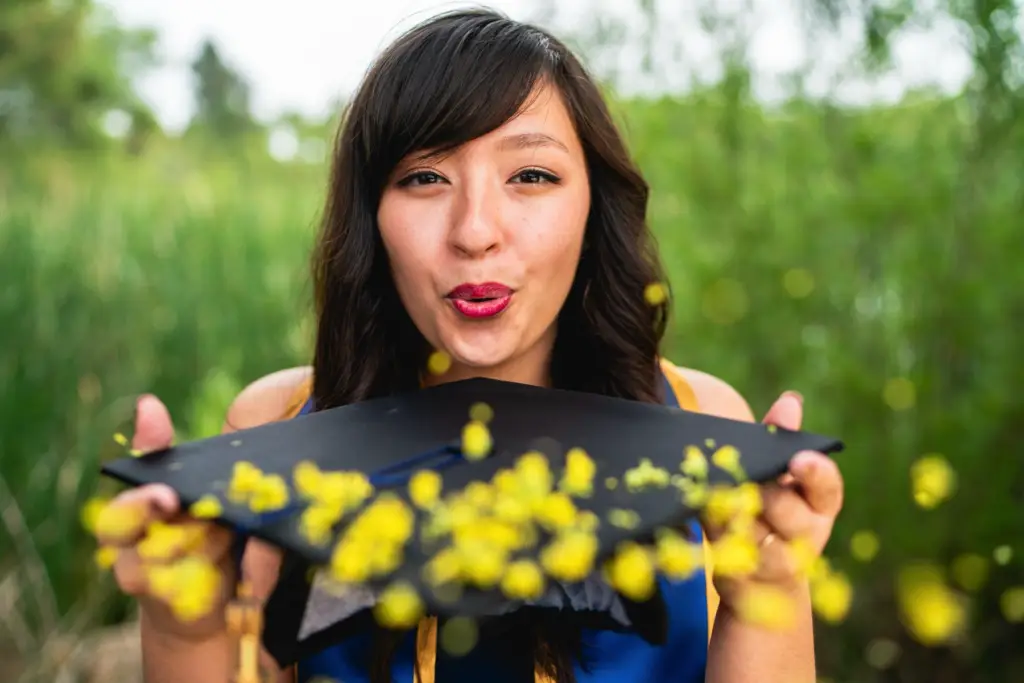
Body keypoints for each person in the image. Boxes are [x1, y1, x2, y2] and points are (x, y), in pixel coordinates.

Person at [96, 8, 844, 683]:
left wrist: (768, 590)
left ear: (594, 206)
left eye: (531, 174)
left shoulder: (695, 418)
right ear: (371, 218)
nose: (475, 230)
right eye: (424, 176)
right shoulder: (282, 424)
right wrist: (180, 617)